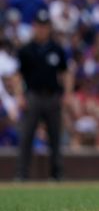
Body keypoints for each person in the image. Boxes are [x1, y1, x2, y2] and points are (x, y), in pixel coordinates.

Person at [15, 9, 73, 181]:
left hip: (52, 96)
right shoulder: (26, 49)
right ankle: (22, 174)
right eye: (39, 26)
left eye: (45, 26)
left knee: (55, 137)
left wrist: (67, 94)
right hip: (33, 96)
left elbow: (66, 72)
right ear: (34, 26)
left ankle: (56, 174)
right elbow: (19, 75)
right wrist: (20, 96)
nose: (42, 29)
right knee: (27, 136)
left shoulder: (56, 48)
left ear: (49, 27)